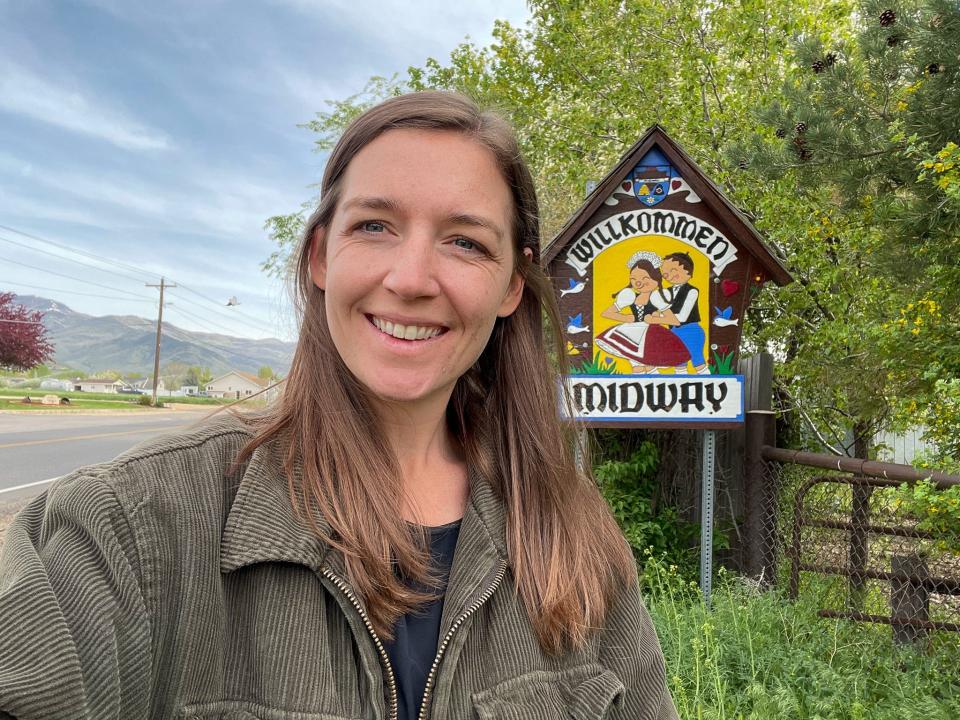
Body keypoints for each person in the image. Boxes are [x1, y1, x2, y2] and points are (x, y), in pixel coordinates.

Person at [0, 92, 678, 720]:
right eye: (375, 225)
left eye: (465, 241)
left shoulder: (575, 535)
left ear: (510, 286)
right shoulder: (128, 528)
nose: (410, 279)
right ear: (322, 256)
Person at [595, 251, 690, 373]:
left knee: (651, 364)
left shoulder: (657, 297)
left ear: (656, 279)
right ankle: (635, 388)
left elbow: (674, 321)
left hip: (652, 335)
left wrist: (654, 319)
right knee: (637, 366)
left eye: (645, 278)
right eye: (633, 279)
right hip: (631, 334)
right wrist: (626, 318)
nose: (638, 282)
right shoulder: (629, 295)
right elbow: (606, 313)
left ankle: (656, 386)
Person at [646, 251, 709, 374]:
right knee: (679, 363)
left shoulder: (692, 291)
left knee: (697, 361)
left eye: (673, 270)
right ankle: (683, 390)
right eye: (665, 275)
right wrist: (656, 314)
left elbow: (682, 317)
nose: (669, 276)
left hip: (691, 331)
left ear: (687, 270)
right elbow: (663, 309)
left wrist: (657, 319)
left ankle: (710, 388)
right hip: (674, 332)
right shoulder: (666, 292)